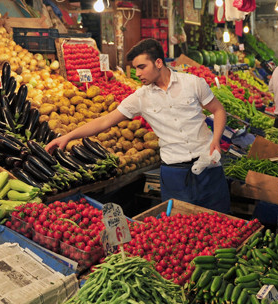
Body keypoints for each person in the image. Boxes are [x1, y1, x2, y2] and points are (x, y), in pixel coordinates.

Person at [45, 38, 231, 213]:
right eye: (136, 68)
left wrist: (215, 140)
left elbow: (219, 110)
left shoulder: (193, 83)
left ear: (158, 62)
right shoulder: (140, 98)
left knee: (222, 225)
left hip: (208, 166)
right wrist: (68, 137)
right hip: (175, 173)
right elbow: (105, 121)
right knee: (181, 232)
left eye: (142, 67)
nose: (138, 73)